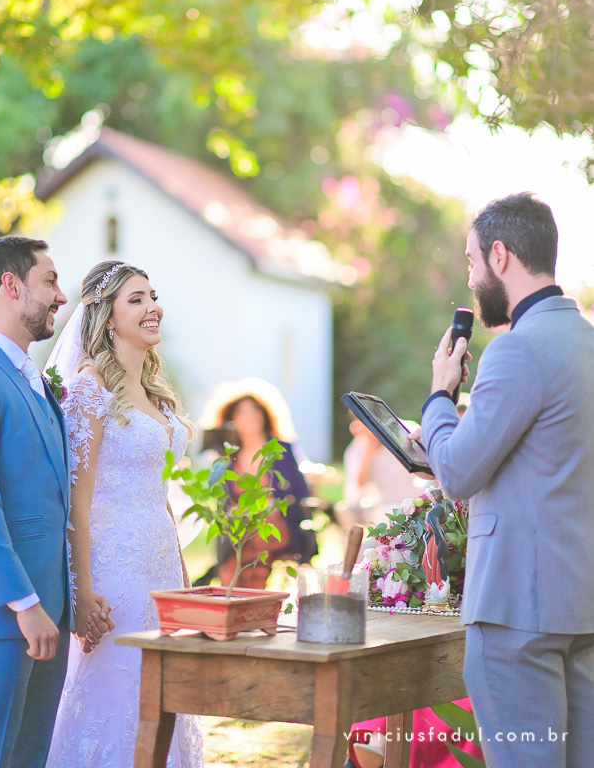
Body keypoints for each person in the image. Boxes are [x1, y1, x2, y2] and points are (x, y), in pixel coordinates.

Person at [420, 192, 594, 768]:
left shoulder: (516, 350)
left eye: (471, 262)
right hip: (583, 605)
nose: (471, 280)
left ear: (500, 255)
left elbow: (458, 473)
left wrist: (441, 395)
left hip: (517, 609)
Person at [0, 236, 108, 768]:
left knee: (29, 757)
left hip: (44, 610)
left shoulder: (32, 380)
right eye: (49, 281)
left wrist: (63, 600)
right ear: (10, 286)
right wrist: (24, 604)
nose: (60, 296)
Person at [45, 261, 203, 768]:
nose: (151, 307)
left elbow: (158, 497)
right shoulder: (90, 389)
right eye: (135, 299)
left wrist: (180, 570)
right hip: (114, 569)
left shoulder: (154, 392)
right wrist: (82, 592)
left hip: (161, 571)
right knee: (117, 694)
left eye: (152, 296)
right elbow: (78, 501)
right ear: (107, 317)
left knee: (165, 694)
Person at [200, 378, 317, 589]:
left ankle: (242, 596)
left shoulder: (281, 450)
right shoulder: (227, 458)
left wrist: (270, 506)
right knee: (239, 549)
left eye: (254, 409)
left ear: (265, 414)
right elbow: (222, 505)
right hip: (240, 530)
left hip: (278, 526)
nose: (249, 416)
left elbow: (300, 495)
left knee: (252, 547)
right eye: (241, 411)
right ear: (231, 418)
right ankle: (241, 597)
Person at [340, 417, 424, 528]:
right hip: (381, 509)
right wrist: (367, 455)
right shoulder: (358, 448)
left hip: (412, 502)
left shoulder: (405, 430)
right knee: (344, 509)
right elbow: (356, 489)